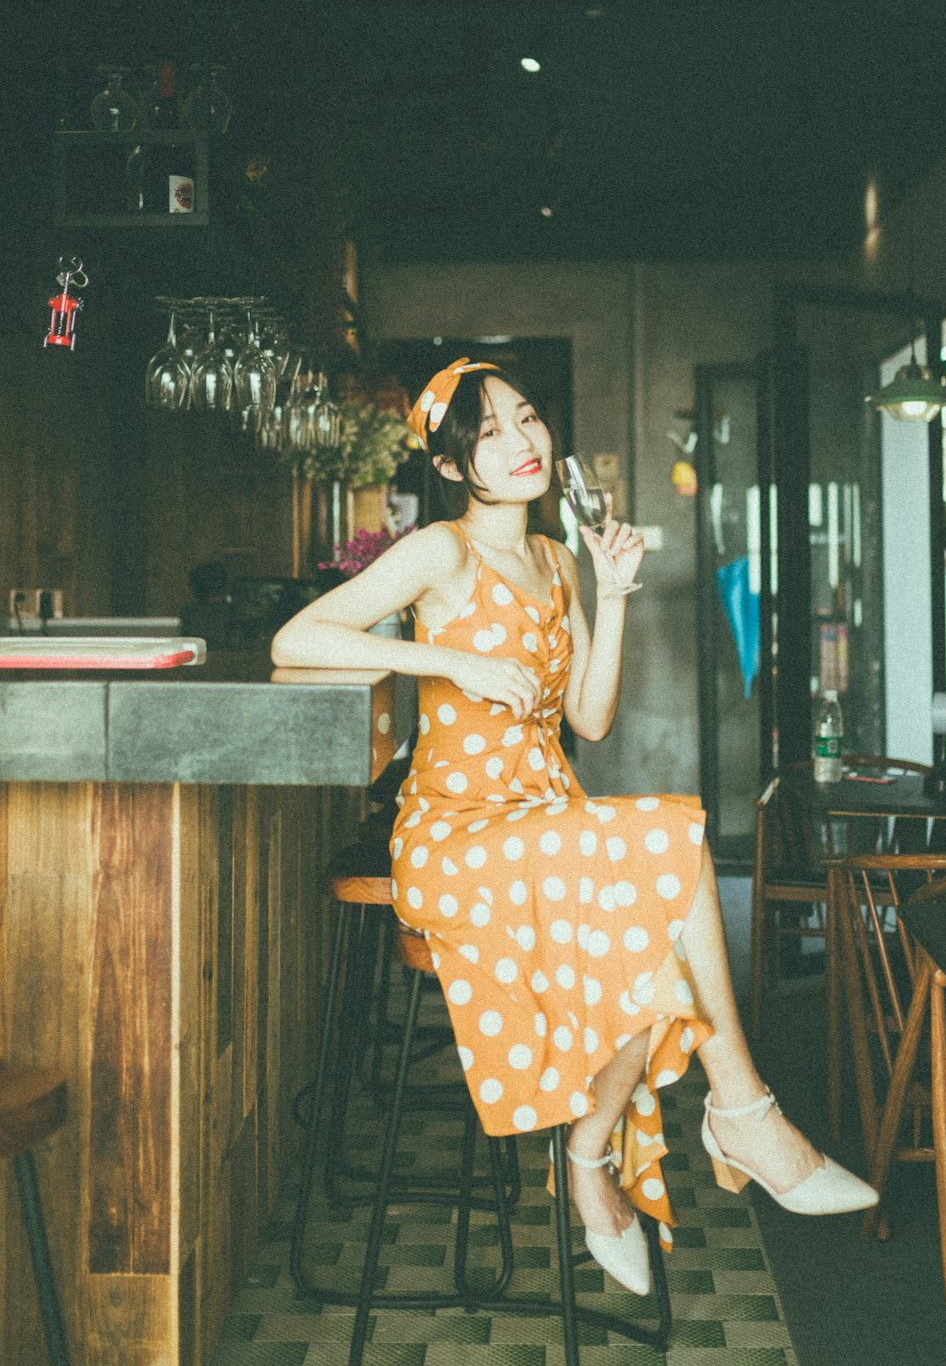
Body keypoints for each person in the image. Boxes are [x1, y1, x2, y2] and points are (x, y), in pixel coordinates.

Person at [272, 357, 876, 1296]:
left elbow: (589, 721)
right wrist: (444, 660)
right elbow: (295, 640)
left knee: (651, 912)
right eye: (488, 434)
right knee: (667, 843)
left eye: (527, 419)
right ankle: (740, 1115)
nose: (520, 443)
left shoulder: (554, 559)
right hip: (458, 833)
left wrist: (616, 590)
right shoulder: (441, 552)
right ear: (450, 465)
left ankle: (595, 1157)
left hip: (547, 821)